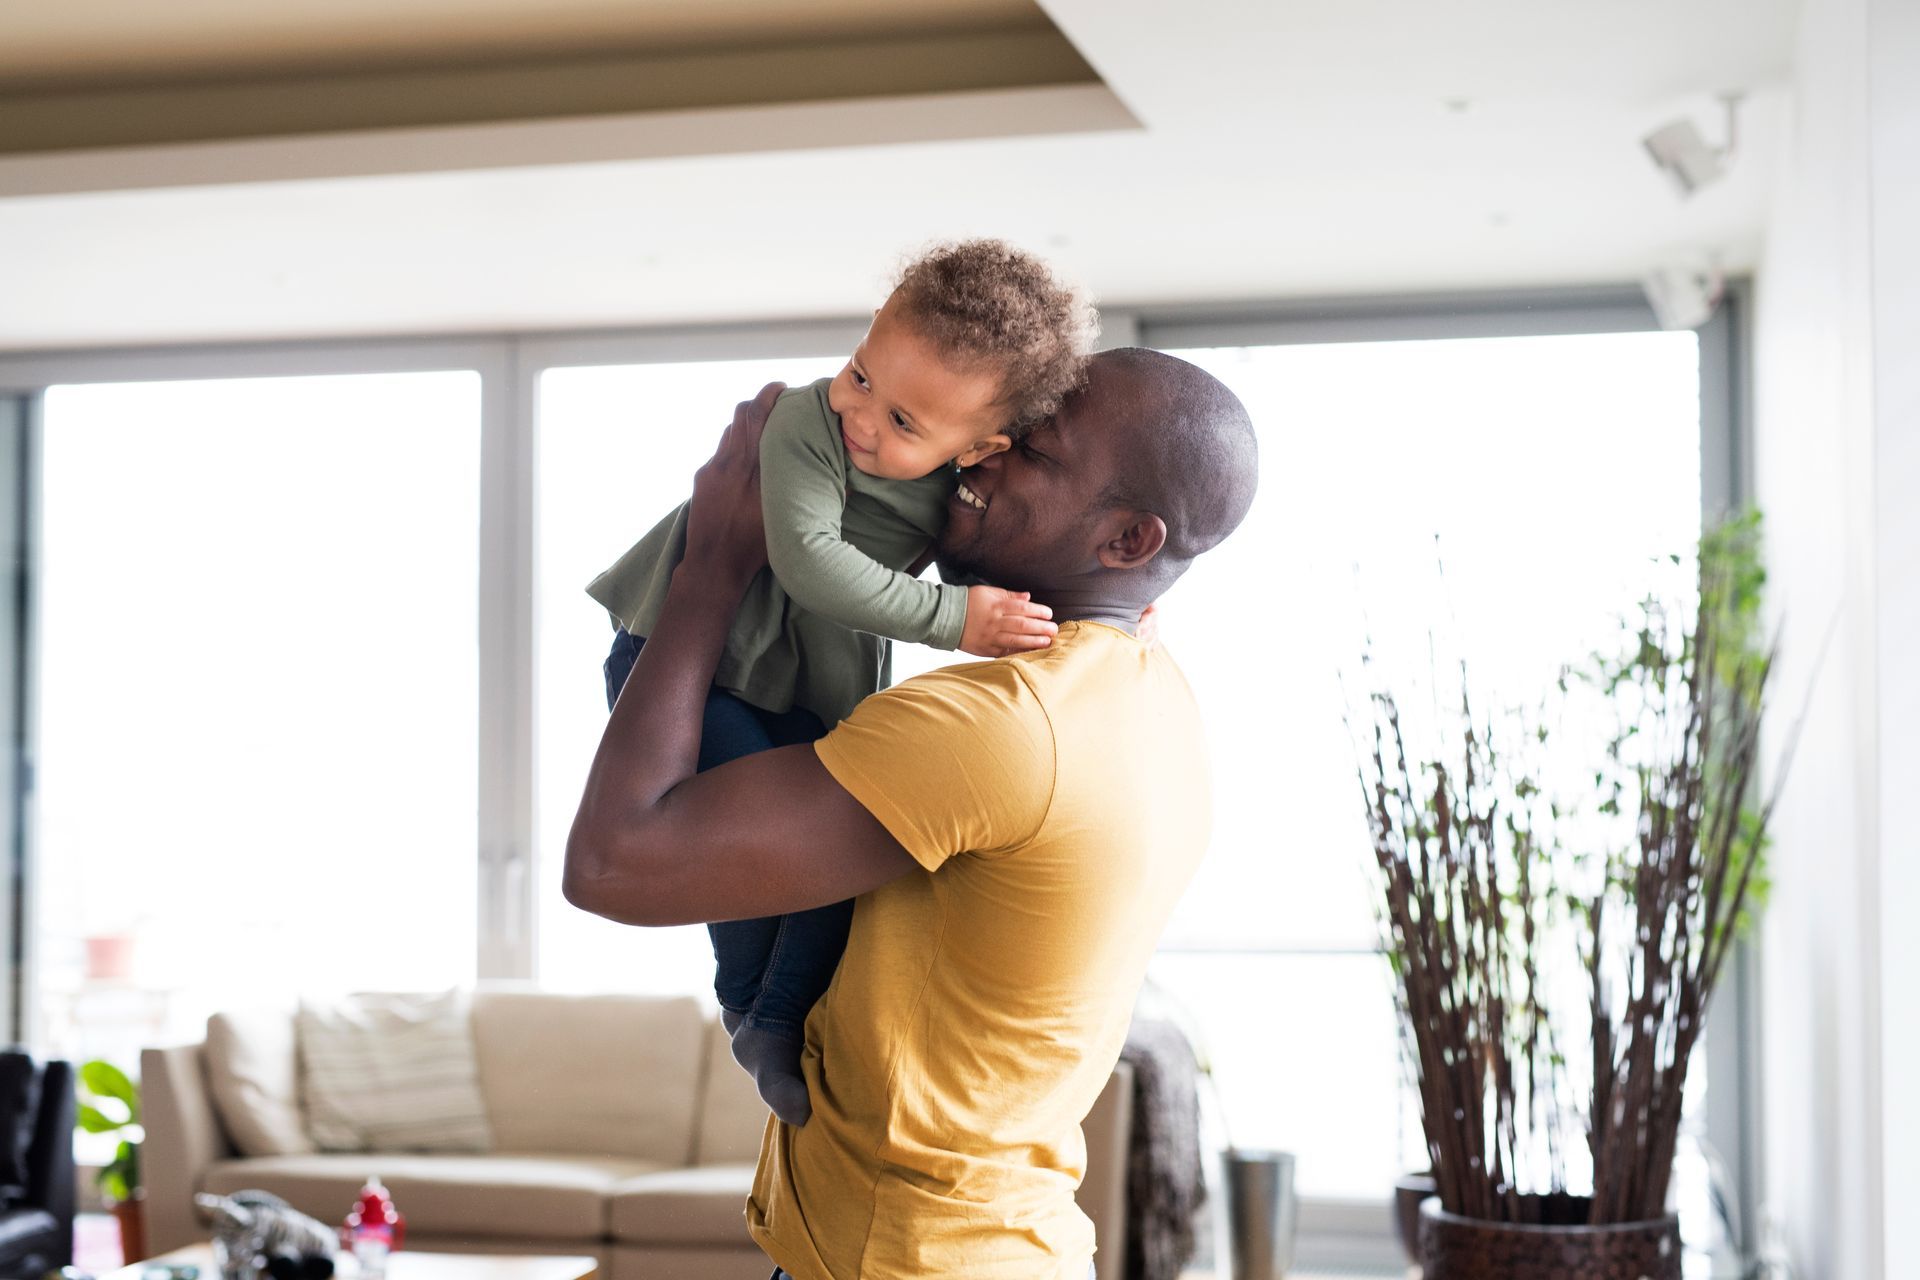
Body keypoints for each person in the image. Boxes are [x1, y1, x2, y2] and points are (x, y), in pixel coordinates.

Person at [564, 347, 1258, 1280]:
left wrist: (711, 568)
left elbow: (613, 865)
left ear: (1130, 542)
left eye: (1031, 453)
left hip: (906, 1261)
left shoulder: (998, 729)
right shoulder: (1151, 696)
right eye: (996, 428)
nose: (978, 455)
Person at [588, 240, 1096, 1124]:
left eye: (905, 423)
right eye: (862, 376)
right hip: (692, 668)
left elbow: (998, 558)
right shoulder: (802, 424)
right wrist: (957, 622)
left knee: (829, 868)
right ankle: (753, 1007)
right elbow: (810, 562)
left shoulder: (950, 493)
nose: (863, 417)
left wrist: (1090, 611)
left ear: (979, 446)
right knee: (737, 856)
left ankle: (774, 1016)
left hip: (793, 685)